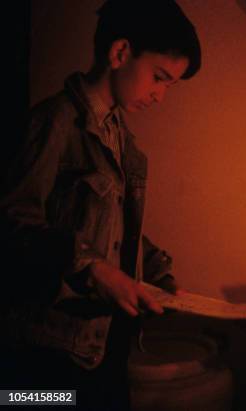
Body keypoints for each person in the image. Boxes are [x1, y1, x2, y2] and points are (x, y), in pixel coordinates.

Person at [0, 1, 201, 410]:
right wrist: (90, 268)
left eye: (169, 86)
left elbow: (112, 229)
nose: (160, 96)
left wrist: (157, 271)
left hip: (105, 346)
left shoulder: (121, 140)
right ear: (120, 53)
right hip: (50, 351)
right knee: (28, 403)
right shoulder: (54, 123)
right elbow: (12, 223)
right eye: (159, 78)